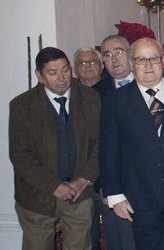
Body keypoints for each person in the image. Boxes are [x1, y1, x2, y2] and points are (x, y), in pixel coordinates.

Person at [99, 38, 164, 249]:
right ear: (131, 62)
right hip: (140, 194)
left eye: (153, 58)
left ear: (163, 61)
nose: (147, 65)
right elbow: (109, 150)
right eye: (140, 59)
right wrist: (115, 195)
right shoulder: (116, 101)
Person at [9, 47, 100, 250]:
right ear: (40, 76)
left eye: (65, 70)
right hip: (37, 197)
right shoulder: (21, 106)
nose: (61, 78)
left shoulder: (91, 99)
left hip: (80, 193)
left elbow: (99, 146)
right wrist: (53, 186)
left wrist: (84, 179)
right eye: (52, 73)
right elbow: (20, 155)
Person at [90, 35, 137, 250]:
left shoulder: (152, 80)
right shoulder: (95, 95)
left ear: (130, 54)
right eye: (107, 55)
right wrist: (103, 183)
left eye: (118, 52)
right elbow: (94, 142)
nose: (114, 58)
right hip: (114, 185)